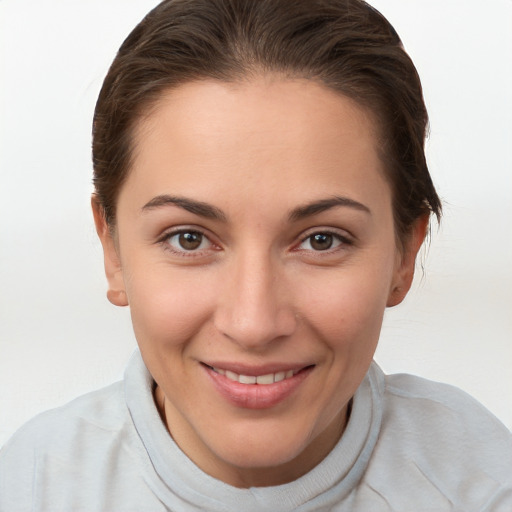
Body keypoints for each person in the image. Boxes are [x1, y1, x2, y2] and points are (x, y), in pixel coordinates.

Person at [0, 0, 510, 510]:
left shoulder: (479, 483)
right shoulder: (32, 486)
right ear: (113, 250)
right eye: (189, 239)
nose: (253, 324)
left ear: (405, 254)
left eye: (321, 240)